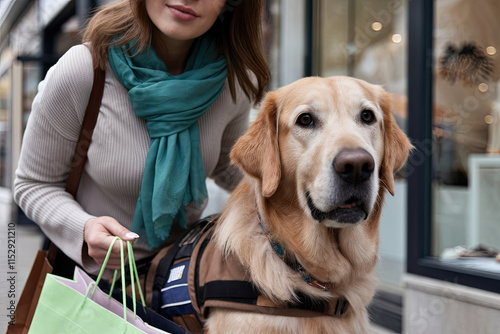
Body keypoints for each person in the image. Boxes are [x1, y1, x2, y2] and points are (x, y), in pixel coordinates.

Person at [14, 0, 270, 274]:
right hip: (93, 287)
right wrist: (84, 228)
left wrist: (293, 188)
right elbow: (33, 184)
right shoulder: (84, 70)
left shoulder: (232, 81)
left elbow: (225, 164)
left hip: (179, 283)